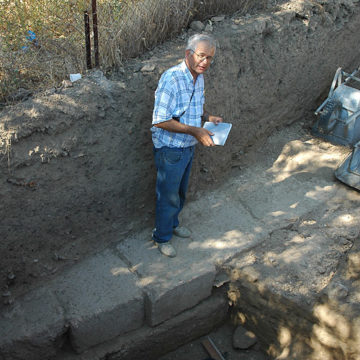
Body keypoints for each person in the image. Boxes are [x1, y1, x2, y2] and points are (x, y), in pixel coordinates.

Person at [151, 33, 223, 257]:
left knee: (180, 191)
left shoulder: (198, 77)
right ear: (188, 54)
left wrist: (207, 118)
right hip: (171, 148)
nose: (205, 62)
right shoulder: (171, 79)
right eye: (201, 56)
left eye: (209, 58)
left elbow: (192, 106)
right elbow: (160, 120)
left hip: (188, 145)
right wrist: (195, 130)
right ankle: (162, 237)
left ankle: (173, 224)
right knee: (168, 194)